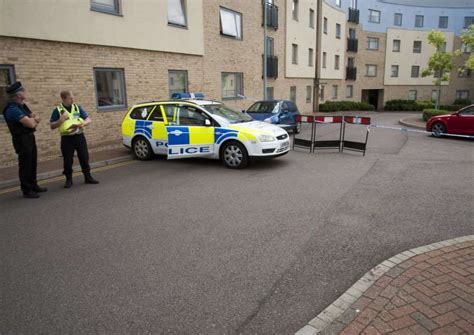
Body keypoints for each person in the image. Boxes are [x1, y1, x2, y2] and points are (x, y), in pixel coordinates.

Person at [3, 82, 47, 198]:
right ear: (18, 94)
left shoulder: (22, 106)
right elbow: (32, 123)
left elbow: (36, 117)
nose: (25, 91)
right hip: (21, 139)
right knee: (25, 164)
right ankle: (27, 190)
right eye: (23, 90)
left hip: (29, 137)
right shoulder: (12, 109)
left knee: (32, 162)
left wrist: (33, 120)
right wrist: (33, 120)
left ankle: (34, 185)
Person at [50, 91, 99, 188]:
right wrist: (61, 120)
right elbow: (52, 126)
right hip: (67, 139)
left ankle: (88, 177)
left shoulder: (77, 107)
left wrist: (83, 124)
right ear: (64, 99)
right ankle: (68, 180)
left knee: (84, 157)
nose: (72, 100)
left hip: (79, 136)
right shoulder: (58, 110)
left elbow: (88, 119)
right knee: (68, 160)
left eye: (72, 98)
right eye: (70, 98)